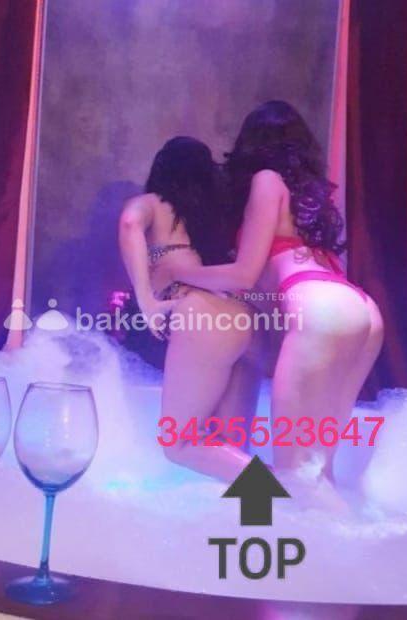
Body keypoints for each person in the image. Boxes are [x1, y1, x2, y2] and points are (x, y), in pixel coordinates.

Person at [172, 102, 384, 499]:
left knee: (298, 477)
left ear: (251, 144)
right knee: (316, 474)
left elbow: (243, 274)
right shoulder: (308, 200)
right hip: (357, 311)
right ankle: (347, 535)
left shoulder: (267, 181)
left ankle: (355, 540)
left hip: (321, 309)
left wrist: (179, 273)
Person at [119, 137, 262, 483]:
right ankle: (266, 510)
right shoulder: (207, 221)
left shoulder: (153, 204)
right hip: (242, 318)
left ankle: (290, 493)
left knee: (179, 444)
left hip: (203, 317)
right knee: (228, 448)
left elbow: (129, 223)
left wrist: (146, 299)